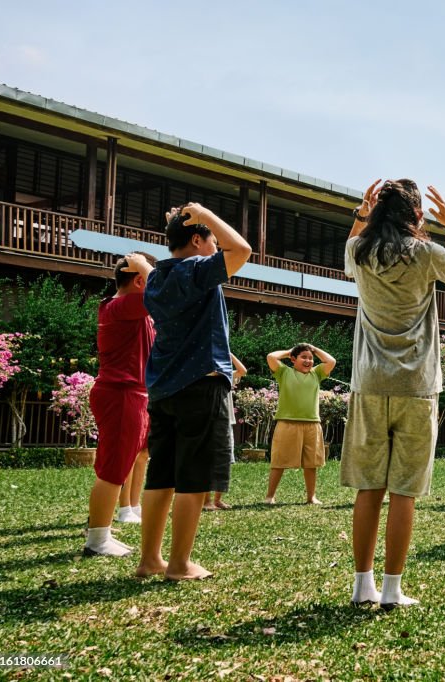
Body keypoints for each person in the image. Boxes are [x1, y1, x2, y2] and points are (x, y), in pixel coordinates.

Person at [341, 179, 445, 609]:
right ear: (417, 215)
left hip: (369, 382)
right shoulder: (424, 253)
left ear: (376, 212)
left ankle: (360, 584)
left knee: (369, 488)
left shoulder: (359, 251)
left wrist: (361, 215)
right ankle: (391, 589)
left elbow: (353, 243)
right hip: (417, 385)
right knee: (404, 491)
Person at [135, 202, 252, 581]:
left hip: (164, 387)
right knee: (192, 477)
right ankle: (181, 564)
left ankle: (149, 559)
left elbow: (170, 260)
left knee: (161, 475)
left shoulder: (156, 278)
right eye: (212, 240)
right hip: (201, 383)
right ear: (199, 240)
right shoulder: (200, 270)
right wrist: (206, 215)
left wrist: (178, 225)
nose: (218, 247)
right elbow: (243, 250)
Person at [83, 252, 157, 557]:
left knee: (122, 464)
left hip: (133, 394)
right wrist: (142, 263)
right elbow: (163, 290)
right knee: (113, 469)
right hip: (121, 393)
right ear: (139, 279)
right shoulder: (121, 306)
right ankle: (97, 540)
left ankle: (101, 532)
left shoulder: (135, 311)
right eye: (145, 274)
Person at [264, 343, 337, 505]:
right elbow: (271, 357)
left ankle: (311, 497)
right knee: (279, 462)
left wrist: (315, 349)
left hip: (312, 424)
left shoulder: (316, 373)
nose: (308, 361)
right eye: (304, 357)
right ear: (293, 359)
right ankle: (270, 496)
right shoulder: (284, 372)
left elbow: (331, 361)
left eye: (310, 358)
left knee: (311, 464)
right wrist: (290, 351)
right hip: (287, 424)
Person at [204, 353, 247, 511]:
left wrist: (228, 353)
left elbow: (242, 370)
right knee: (207, 461)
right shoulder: (206, 376)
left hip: (227, 421)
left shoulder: (227, 376)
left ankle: (218, 500)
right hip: (209, 422)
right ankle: (206, 500)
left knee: (225, 460)